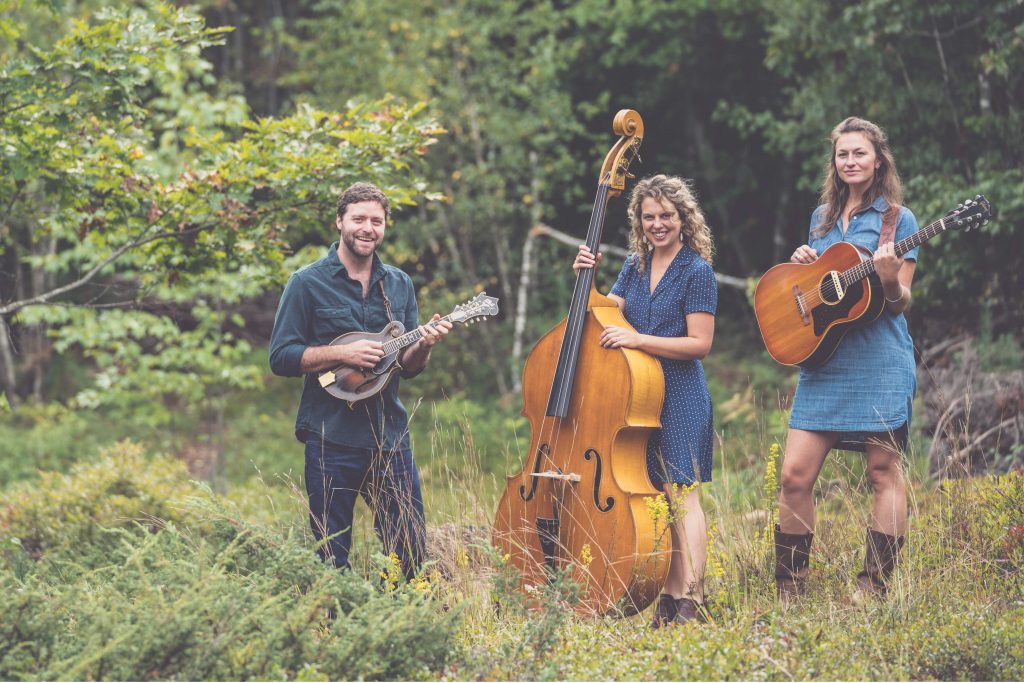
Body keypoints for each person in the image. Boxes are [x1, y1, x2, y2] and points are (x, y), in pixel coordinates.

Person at [269, 181, 451, 580]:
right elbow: (281, 357)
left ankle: (404, 629)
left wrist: (425, 343)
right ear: (340, 222)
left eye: (377, 221)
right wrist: (341, 353)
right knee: (330, 553)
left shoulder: (398, 283)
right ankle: (335, 633)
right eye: (359, 219)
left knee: (410, 549)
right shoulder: (307, 282)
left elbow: (408, 365)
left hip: (389, 436)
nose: (368, 228)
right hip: (330, 437)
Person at [775, 117, 919, 603]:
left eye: (860, 153)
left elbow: (900, 303)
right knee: (794, 475)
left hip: (879, 358)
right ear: (834, 163)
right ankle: (790, 589)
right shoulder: (821, 217)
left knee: (883, 474)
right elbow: (818, 286)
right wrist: (804, 266)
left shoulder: (898, 221)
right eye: (843, 154)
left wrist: (887, 278)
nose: (851, 161)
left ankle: (872, 588)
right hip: (825, 359)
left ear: (878, 159)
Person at [574, 174, 718, 626]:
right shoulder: (634, 267)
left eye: (666, 216)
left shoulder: (697, 270)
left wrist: (638, 340)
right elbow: (602, 316)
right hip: (639, 399)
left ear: (683, 219)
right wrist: (585, 278)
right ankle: (670, 600)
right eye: (649, 217)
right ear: (639, 221)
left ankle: (693, 600)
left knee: (681, 498)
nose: (658, 224)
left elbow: (699, 344)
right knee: (659, 500)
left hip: (681, 394)